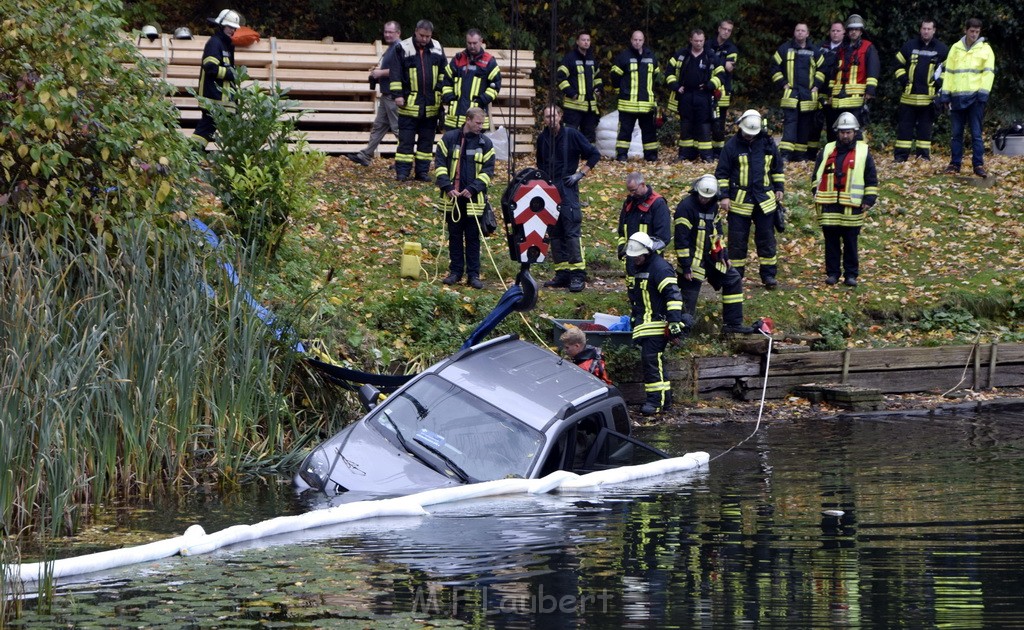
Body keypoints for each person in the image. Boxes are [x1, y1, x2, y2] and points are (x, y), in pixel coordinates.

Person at [716, 109, 785, 289]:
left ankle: (769, 276)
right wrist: (723, 196)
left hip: (765, 201)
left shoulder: (768, 144)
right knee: (737, 242)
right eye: (746, 132)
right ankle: (736, 276)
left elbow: (777, 169)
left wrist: (779, 188)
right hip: (739, 201)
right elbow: (722, 173)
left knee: (767, 240)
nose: (749, 136)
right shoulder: (731, 146)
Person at [536, 105, 601, 293]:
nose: (550, 119)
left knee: (571, 231)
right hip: (549, 188)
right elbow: (540, 163)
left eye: (552, 115)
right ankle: (562, 273)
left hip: (568, 187)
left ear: (560, 116)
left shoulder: (572, 135)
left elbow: (594, 154)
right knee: (555, 232)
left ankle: (578, 275)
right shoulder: (542, 139)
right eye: (546, 117)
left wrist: (580, 174)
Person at [674, 175, 748, 334]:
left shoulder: (713, 205)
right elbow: (681, 240)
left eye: (708, 198)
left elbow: (718, 232)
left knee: (733, 278)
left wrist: (724, 255)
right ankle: (681, 335)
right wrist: (686, 266)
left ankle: (733, 324)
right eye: (701, 196)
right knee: (688, 300)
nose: (704, 200)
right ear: (696, 191)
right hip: (693, 263)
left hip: (712, 259)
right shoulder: (685, 207)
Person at [624, 232, 688, 416]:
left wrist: (675, 321)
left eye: (638, 256)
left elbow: (673, 295)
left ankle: (656, 403)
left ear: (648, 252)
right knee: (654, 363)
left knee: (652, 362)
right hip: (645, 325)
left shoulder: (660, 268)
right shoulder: (642, 266)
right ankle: (664, 402)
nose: (635, 260)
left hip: (657, 325)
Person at [811, 113, 878, 287]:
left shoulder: (863, 152)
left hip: (852, 206)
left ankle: (851, 275)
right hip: (829, 205)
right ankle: (832, 274)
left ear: (855, 132)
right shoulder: (827, 150)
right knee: (831, 243)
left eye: (848, 132)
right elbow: (816, 174)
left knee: (850, 243)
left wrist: (869, 199)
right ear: (837, 133)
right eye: (842, 132)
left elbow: (871, 178)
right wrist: (815, 192)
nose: (845, 135)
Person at [434, 108, 495, 289]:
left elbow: (488, 171)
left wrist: (473, 188)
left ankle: (473, 275)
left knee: (473, 237)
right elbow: (439, 165)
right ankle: (455, 272)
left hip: (473, 200)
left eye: (482, 123)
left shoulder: (486, 143)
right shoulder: (449, 139)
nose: (480, 126)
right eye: (477, 123)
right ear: (467, 120)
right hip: (453, 199)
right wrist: (448, 187)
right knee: (454, 236)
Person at [388, 20, 447, 182]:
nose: (424, 39)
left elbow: (444, 72)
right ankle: (402, 173)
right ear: (415, 31)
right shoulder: (403, 48)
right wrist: (397, 95)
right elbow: (395, 73)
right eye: (421, 35)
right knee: (405, 143)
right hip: (408, 105)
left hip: (431, 106)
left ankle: (422, 172)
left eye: (427, 36)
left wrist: (441, 91)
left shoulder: (437, 47)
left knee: (426, 143)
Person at [940, 18, 995, 177]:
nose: (974, 35)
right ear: (966, 30)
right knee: (956, 133)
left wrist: (983, 94)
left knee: (976, 134)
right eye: (972, 31)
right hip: (957, 97)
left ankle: (978, 165)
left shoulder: (986, 50)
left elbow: (988, 73)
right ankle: (955, 164)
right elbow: (949, 73)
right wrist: (945, 95)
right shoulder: (955, 49)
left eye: (977, 32)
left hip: (976, 98)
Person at [347, 21, 402, 167]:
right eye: (385, 32)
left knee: (398, 129)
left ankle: (404, 159)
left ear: (398, 33)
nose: (387, 35)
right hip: (386, 95)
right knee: (379, 126)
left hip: (393, 95)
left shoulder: (399, 48)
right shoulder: (391, 48)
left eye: (391, 32)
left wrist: (380, 73)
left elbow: (401, 70)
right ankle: (366, 155)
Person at [893, 20, 948, 162]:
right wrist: (904, 80)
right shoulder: (909, 45)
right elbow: (897, 64)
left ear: (934, 30)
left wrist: (938, 83)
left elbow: (948, 69)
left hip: (928, 98)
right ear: (920, 29)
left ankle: (923, 157)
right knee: (904, 129)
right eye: (924, 28)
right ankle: (900, 157)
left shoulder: (941, 49)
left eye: (929, 29)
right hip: (908, 97)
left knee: (925, 130)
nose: (926, 31)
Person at [666, 29, 723, 162]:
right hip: (685, 95)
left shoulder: (710, 55)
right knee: (686, 124)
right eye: (696, 41)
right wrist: (676, 86)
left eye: (701, 41)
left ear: (704, 40)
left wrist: (710, 85)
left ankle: (706, 155)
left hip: (703, 96)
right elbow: (669, 72)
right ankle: (686, 154)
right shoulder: (681, 55)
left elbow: (721, 75)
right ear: (690, 40)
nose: (698, 43)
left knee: (704, 125)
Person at [771, 23, 825, 163]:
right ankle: (785, 155)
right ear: (794, 32)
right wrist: (783, 83)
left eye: (803, 31)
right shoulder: (785, 49)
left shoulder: (814, 50)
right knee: (790, 124)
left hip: (808, 96)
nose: (800, 33)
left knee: (804, 126)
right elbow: (774, 66)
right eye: (798, 30)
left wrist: (816, 86)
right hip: (791, 95)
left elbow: (822, 69)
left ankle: (800, 156)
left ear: (807, 34)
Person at [826, 14, 879, 142]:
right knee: (837, 129)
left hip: (856, 98)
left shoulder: (868, 47)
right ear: (847, 31)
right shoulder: (841, 49)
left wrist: (870, 91)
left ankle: (858, 154)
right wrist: (830, 92)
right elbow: (833, 73)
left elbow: (873, 69)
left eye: (856, 29)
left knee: (856, 128)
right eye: (851, 29)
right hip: (838, 98)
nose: (853, 32)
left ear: (861, 31)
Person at [611, 31, 660, 162]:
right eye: (635, 40)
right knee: (625, 131)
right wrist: (620, 91)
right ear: (631, 40)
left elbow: (656, 77)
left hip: (646, 104)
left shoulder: (651, 57)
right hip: (627, 103)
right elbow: (614, 76)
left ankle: (651, 156)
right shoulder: (623, 57)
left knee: (649, 132)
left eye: (640, 40)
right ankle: (621, 155)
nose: (637, 42)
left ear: (644, 41)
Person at [194, 9, 240, 146]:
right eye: (230, 27)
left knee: (227, 131)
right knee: (206, 129)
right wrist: (231, 74)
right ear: (221, 25)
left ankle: (193, 157)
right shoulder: (215, 43)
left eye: (234, 28)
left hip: (224, 100)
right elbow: (210, 67)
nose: (233, 31)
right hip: (213, 98)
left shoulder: (226, 44)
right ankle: (191, 156)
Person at [441, 29, 502, 131]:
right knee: (452, 146)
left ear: (481, 41)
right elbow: (446, 80)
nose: (472, 46)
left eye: (474, 43)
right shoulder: (458, 59)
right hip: (454, 118)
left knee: (475, 147)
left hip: (477, 118)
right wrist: (450, 97)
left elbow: (495, 85)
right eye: (469, 43)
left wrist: (481, 100)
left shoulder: (489, 61)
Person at [616, 171, 672, 277]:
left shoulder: (658, 203)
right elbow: (622, 231)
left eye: (634, 190)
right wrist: (622, 249)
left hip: (651, 259)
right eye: (629, 191)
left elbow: (663, 237)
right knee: (633, 288)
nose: (631, 194)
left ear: (642, 184)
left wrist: (644, 253)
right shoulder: (629, 203)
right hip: (632, 257)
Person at [557, 31, 603, 142]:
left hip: (589, 106)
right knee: (569, 133)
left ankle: (588, 157)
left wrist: (599, 89)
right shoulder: (570, 58)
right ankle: (568, 156)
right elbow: (560, 77)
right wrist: (571, 92)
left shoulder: (591, 59)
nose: (586, 42)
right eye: (583, 40)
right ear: (577, 42)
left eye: (588, 40)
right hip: (574, 105)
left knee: (589, 135)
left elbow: (597, 77)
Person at [813, 21, 845, 156]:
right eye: (833, 30)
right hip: (818, 89)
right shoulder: (820, 47)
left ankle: (832, 151)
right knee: (815, 123)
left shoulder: (846, 49)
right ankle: (811, 153)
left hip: (835, 92)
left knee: (833, 123)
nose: (835, 33)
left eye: (838, 31)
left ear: (844, 33)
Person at [707, 19, 739, 159]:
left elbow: (729, 68)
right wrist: (721, 61)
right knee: (704, 120)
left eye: (729, 30)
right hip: (707, 88)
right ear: (719, 29)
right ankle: (704, 150)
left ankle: (718, 152)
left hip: (723, 91)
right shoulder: (707, 44)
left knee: (719, 123)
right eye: (724, 29)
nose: (726, 32)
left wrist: (712, 58)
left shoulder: (732, 49)